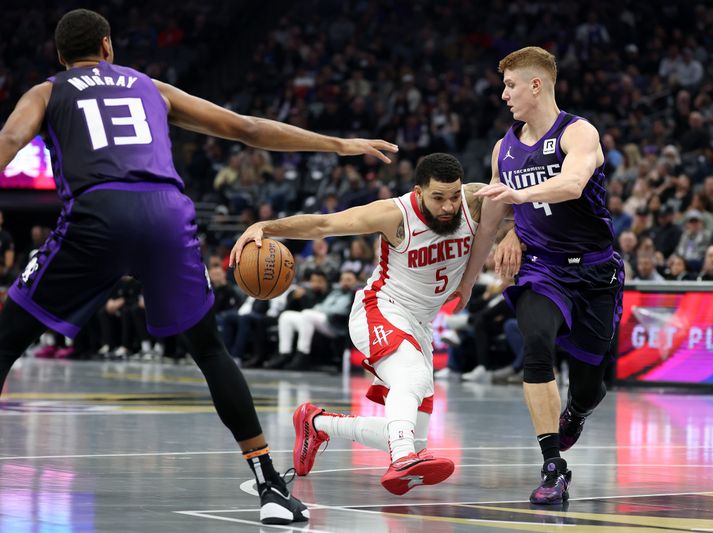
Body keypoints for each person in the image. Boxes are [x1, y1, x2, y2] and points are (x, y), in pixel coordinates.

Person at [0, 9, 397, 526]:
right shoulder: (151, 87)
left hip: (99, 213)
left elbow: (9, 142)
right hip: (167, 213)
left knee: (8, 337)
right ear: (107, 47)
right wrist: (338, 144)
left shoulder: (48, 91)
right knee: (209, 350)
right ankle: (271, 488)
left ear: (60, 56)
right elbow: (246, 128)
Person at [232, 153, 483, 495]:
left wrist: (511, 235)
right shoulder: (394, 214)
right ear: (418, 191)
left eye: (454, 196)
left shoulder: (475, 202)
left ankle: (317, 424)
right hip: (381, 309)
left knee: (412, 431)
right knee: (412, 377)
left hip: (420, 325)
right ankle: (403, 460)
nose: (448, 207)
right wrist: (267, 226)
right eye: (438, 198)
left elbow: (524, 208)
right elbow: (325, 224)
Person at [449, 46, 623, 505]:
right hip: (540, 270)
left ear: (536, 85)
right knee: (537, 346)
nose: (504, 94)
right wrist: (467, 281)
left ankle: (578, 411)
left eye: (509, 85)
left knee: (591, 385)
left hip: (594, 271)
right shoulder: (502, 149)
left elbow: (572, 184)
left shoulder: (578, 132)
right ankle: (553, 466)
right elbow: (489, 222)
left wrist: (518, 194)